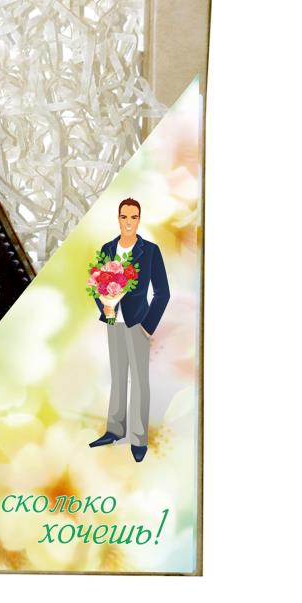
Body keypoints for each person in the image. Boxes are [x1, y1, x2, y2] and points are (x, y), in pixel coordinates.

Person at [89, 198, 170, 463]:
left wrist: (148, 326)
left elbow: (162, 292)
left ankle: (138, 439)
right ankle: (114, 430)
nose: (128, 222)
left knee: (139, 381)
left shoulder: (150, 251)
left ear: (139, 219)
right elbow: (96, 284)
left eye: (133, 217)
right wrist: (106, 311)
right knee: (117, 376)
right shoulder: (107, 249)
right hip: (114, 322)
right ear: (118, 218)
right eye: (124, 217)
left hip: (138, 323)